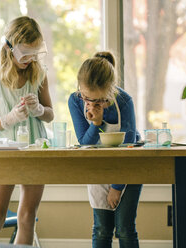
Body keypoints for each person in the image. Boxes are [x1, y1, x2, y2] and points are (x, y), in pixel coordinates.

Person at [0, 16, 54, 245]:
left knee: (27, 216)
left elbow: (51, 115)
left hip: (35, 149)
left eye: (34, 54)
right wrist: (8, 119)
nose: (29, 60)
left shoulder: (38, 75)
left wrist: (39, 110)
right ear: (9, 48)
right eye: (24, 54)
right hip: (4, 152)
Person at [68, 51, 142, 248]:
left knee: (125, 229)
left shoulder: (124, 102)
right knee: (101, 229)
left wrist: (116, 188)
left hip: (128, 167)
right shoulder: (75, 101)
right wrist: (96, 123)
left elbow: (129, 147)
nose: (90, 103)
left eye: (98, 101)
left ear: (110, 91)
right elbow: (85, 144)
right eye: (86, 97)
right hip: (98, 167)